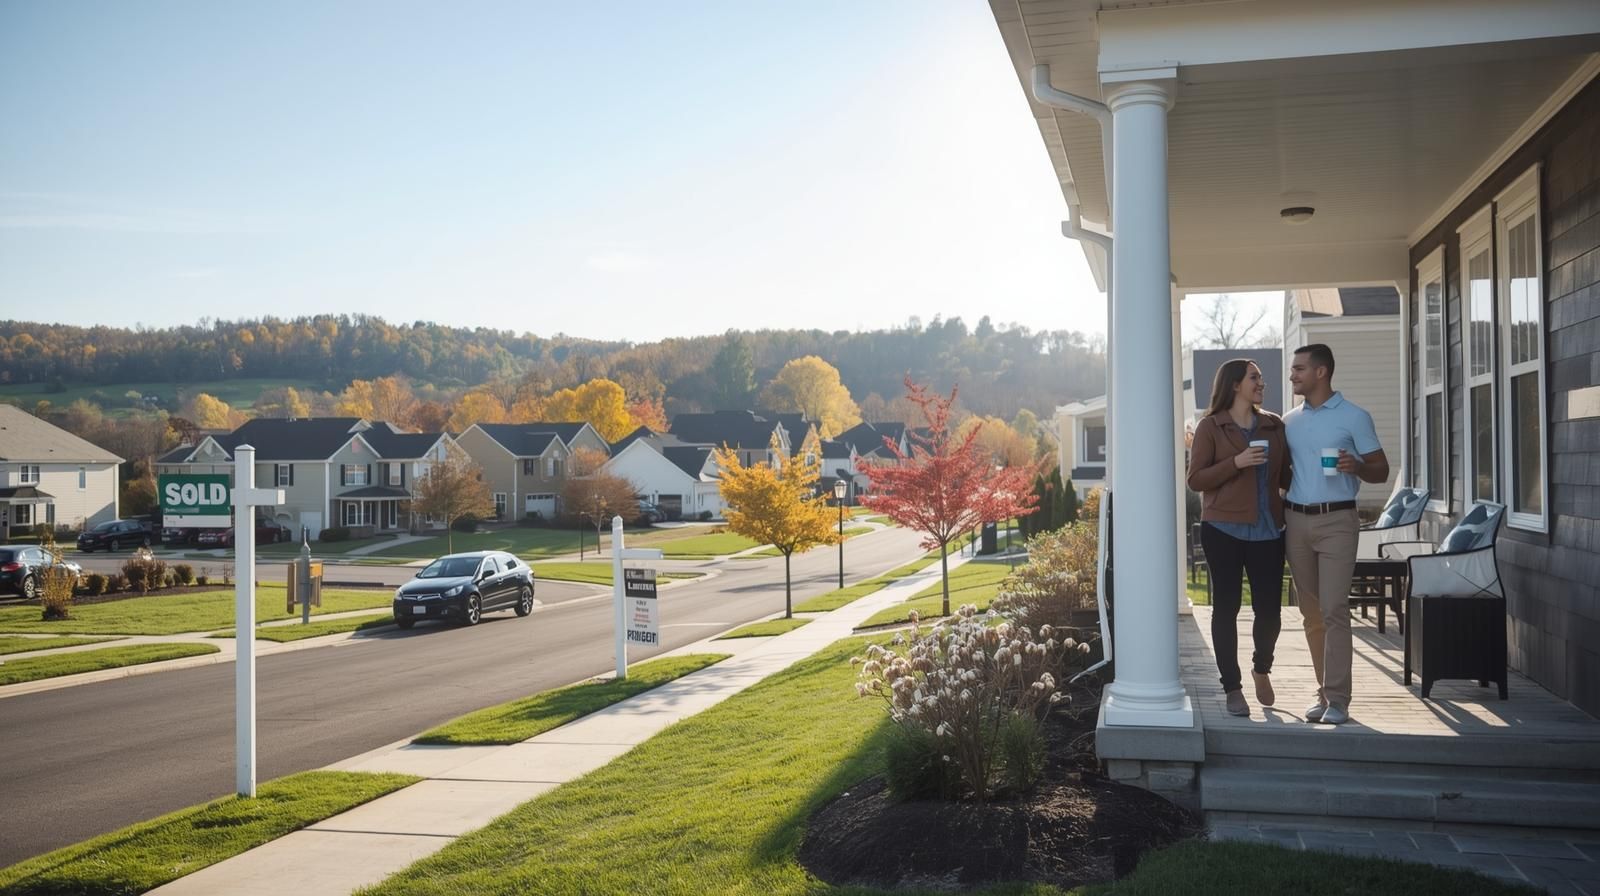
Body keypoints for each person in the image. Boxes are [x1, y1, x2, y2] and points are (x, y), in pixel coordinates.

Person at [1283, 344, 1389, 725]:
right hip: (1295, 521)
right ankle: (1323, 692)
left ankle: (1340, 699)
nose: (1292, 374)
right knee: (1311, 613)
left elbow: (1381, 470)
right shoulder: (1288, 421)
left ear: (1321, 372)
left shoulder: (1354, 417)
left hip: (1338, 521)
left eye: (1299, 369)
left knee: (1333, 608)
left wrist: (1357, 464)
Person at [1186, 359, 1289, 718]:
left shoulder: (1274, 425)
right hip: (1223, 530)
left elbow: (1287, 473)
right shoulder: (1211, 427)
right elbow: (1196, 479)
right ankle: (1232, 687)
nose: (1262, 383)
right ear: (1234, 385)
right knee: (1226, 608)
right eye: (1255, 378)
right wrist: (1237, 463)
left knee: (1270, 611)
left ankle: (1262, 668)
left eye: (1261, 377)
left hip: (1268, 530)